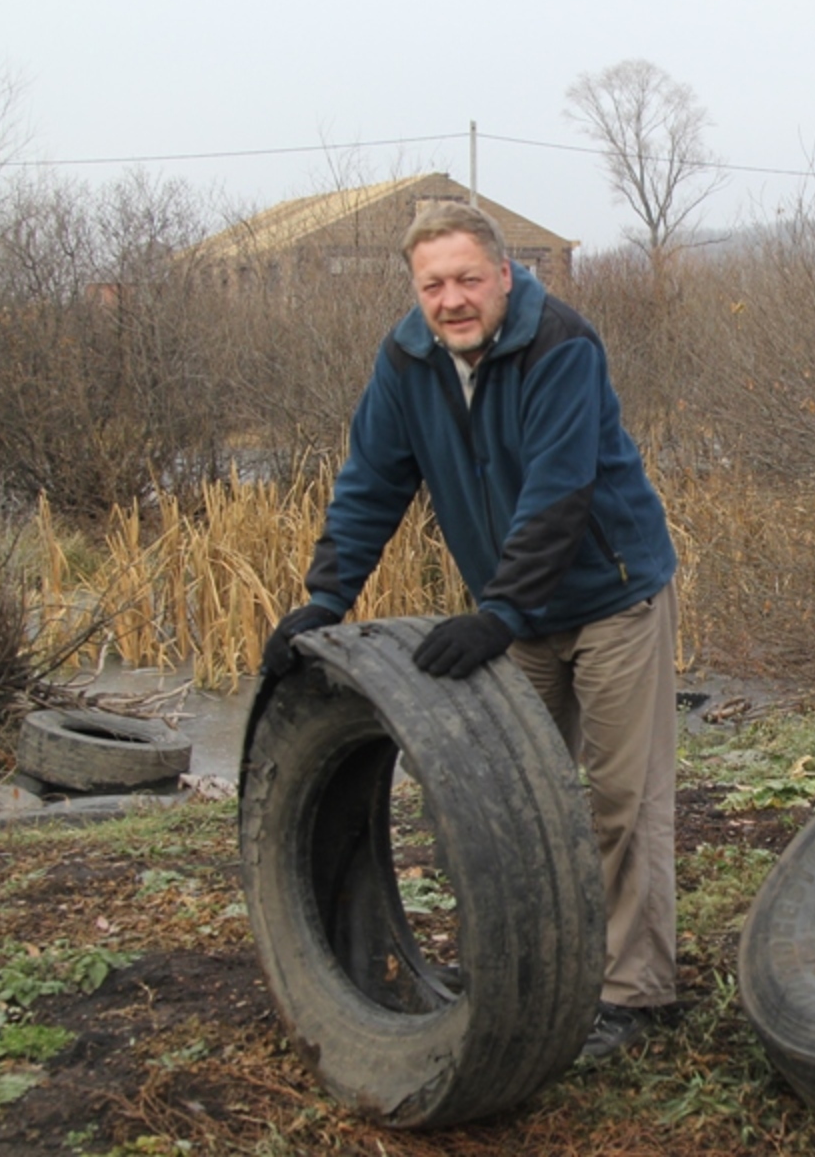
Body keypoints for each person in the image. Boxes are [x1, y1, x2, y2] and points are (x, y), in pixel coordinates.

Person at [262, 201, 679, 1061]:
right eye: (432, 284)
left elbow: (558, 494)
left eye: (465, 279)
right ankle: (528, 972)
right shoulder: (408, 360)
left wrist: (498, 614)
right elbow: (371, 483)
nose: (451, 299)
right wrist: (323, 602)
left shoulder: (561, 343)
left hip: (612, 596)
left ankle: (634, 997)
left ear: (503, 274)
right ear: (417, 290)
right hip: (515, 610)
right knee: (503, 802)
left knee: (621, 801)